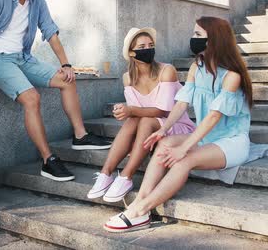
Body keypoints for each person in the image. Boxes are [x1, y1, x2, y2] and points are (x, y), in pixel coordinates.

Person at [0, 0, 112, 182]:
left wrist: (66, 64)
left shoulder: (37, 0)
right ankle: (48, 160)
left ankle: (81, 136)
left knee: (67, 80)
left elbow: (50, 32)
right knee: (32, 98)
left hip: (23, 57)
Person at [103, 16, 254, 233]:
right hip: (206, 138)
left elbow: (213, 117)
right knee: (164, 143)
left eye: (198, 35)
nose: (193, 39)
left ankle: (140, 210)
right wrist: (163, 130)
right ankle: (140, 202)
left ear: (215, 40)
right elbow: (181, 103)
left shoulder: (232, 76)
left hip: (230, 142)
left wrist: (184, 147)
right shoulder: (197, 67)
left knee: (184, 160)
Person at [87, 27, 195, 202]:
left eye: (150, 45)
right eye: (142, 46)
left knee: (144, 120)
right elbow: (136, 115)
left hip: (175, 126)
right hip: (150, 129)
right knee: (134, 121)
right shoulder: (128, 78)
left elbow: (164, 111)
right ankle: (106, 174)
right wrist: (125, 111)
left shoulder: (166, 71)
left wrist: (130, 110)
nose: (148, 49)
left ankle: (126, 177)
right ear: (131, 53)